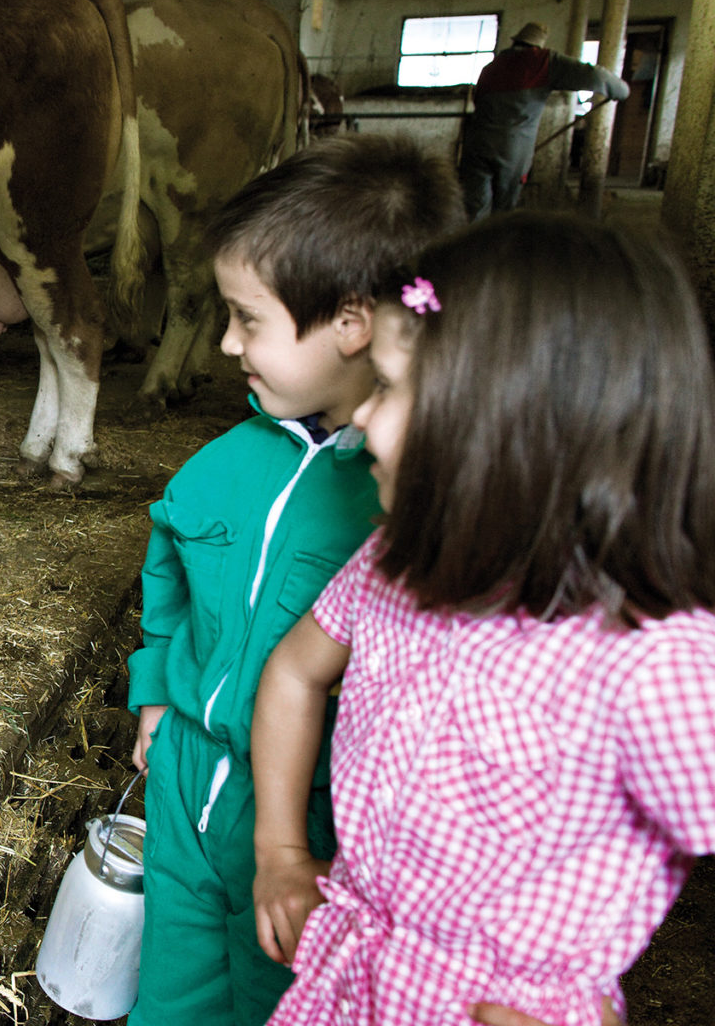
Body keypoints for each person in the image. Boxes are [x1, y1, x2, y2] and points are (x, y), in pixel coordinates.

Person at [251, 211, 715, 1026]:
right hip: (349, 983)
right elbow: (294, 668)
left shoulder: (651, 657)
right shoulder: (394, 564)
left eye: (389, 387)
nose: (360, 417)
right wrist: (281, 850)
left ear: (504, 419)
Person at [122, 134, 464, 1026]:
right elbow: (169, 568)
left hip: (310, 819)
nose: (225, 342)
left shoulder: (403, 506)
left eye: (248, 319)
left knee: (280, 1001)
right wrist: (156, 694)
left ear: (351, 322)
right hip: (185, 779)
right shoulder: (222, 463)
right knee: (170, 994)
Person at [457, 21, 631, 221]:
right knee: (504, 209)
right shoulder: (542, 62)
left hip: (476, 144)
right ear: (537, 44)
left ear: (516, 41)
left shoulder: (491, 67)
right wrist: (621, 90)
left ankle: (475, 237)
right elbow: (594, 75)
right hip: (512, 148)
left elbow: (478, 100)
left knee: (475, 207)